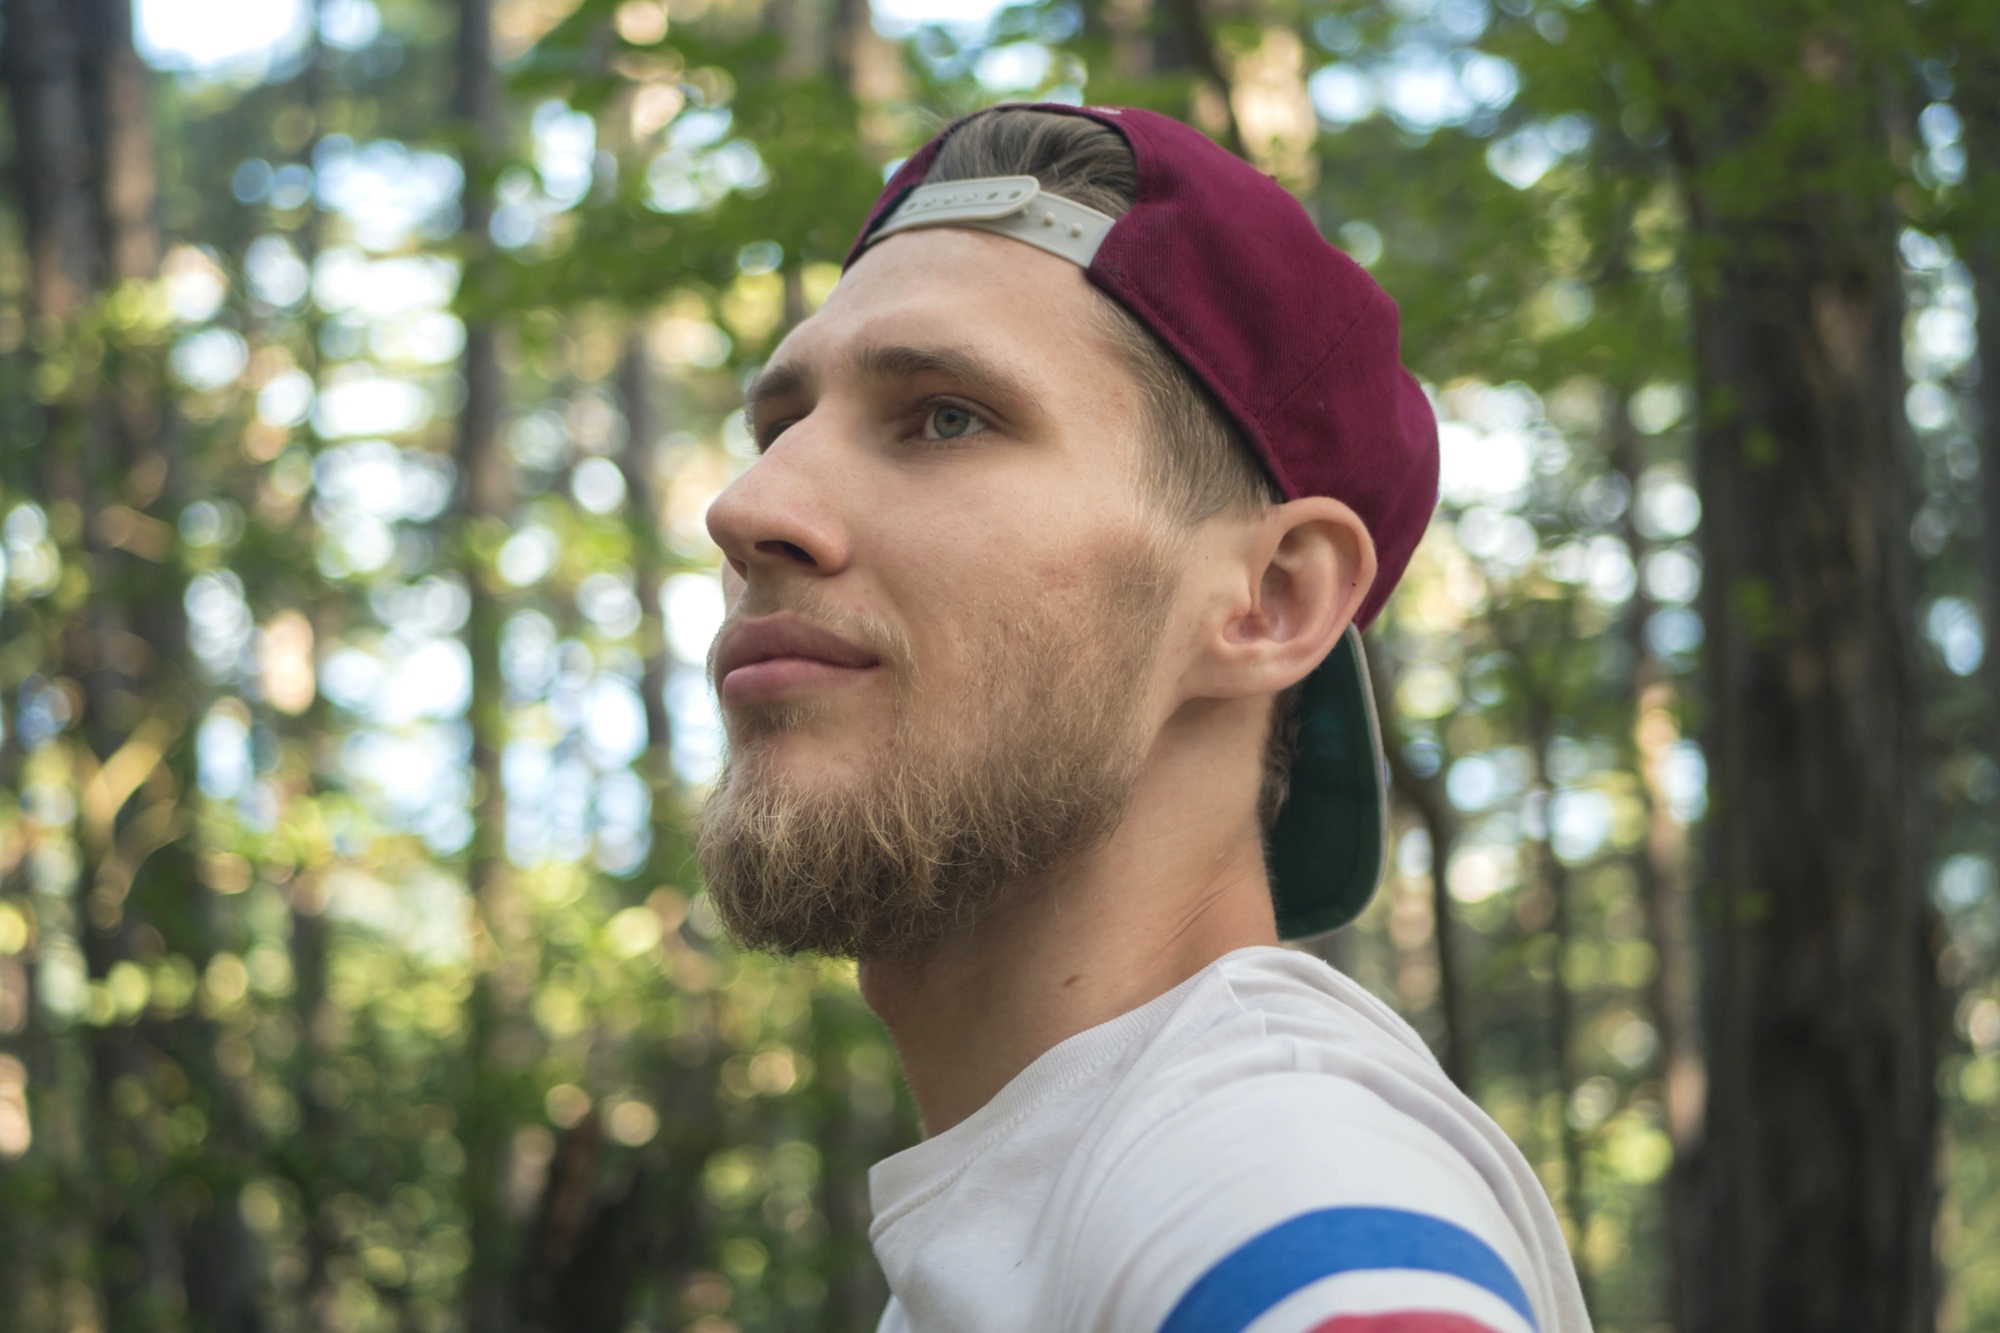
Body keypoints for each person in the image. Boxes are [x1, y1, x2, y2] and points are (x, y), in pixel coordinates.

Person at [696, 104, 1590, 1333]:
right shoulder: (1068, 1213)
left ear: (1269, 602)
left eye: (945, 415)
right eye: (779, 426)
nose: (749, 505)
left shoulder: (1270, 1190)